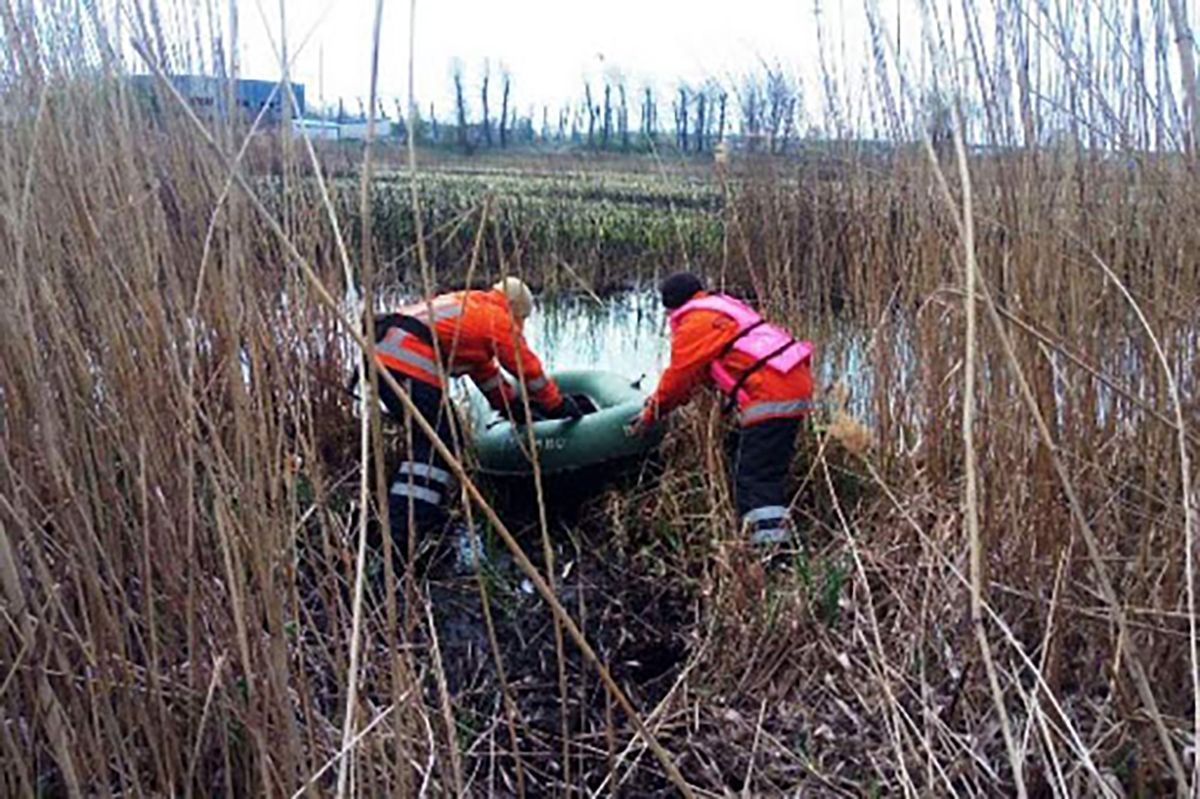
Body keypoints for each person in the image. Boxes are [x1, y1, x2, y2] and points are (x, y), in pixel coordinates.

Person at [370, 277, 582, 562]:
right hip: (406, 360)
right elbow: (527, 369)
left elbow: (488, 376)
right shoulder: (497, 318)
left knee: (436, 441)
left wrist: (513, 409)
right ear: (517, 311)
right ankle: (405, 526)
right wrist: (556, 405)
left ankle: (414, 515)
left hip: (385, 356)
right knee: (438, 443)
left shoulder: (473, 311)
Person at [629, 272, 814, 545]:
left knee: (754, 477)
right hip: (791, 383)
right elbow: (711, 368)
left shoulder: (694, 323)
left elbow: (678, 381)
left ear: (671, 306)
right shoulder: (721, 307)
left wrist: (650, 415)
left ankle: (771, 550)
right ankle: (770, 530)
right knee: (744, 453)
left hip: (769, 395)